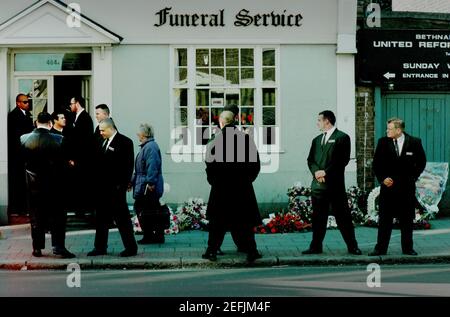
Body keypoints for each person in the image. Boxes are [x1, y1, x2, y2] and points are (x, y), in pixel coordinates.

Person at [202, 110, 262, 262]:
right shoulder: (246, 139)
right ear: (234, 120)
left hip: (221, 187)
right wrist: (247, 180)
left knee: (217, 222)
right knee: (245, 221)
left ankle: (212, 250)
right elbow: (255, 164)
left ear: (221, 122)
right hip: (242, 187)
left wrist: (214, 181)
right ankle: (251, 250)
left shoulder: (214, 140)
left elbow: (209, 165)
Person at [303, 110, 361, 255]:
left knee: (343, 217)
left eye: (319, 120)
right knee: (318, 218)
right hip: (318, 186)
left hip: (335, 186)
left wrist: (325, 172)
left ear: (327, 121)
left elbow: (342, 160)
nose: (317, 123)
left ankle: (352, 246)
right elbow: (310, 160)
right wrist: (316, 172)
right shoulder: (316, 140)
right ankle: (315, 246)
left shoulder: (342, 138)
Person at [21, 112, 75, 258]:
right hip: (55, 184)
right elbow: (64, 164)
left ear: (36, 122)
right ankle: (58, 246)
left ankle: (37, 247)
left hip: (33, 185)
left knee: (36, 216)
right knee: (58, 216)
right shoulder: (59, 139)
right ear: (50, 123)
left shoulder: (24, 139)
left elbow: (21, 163)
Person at [369, 118, 426, 256]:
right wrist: (382, 179)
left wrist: (413, 177)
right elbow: (376, 163)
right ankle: (380, 248)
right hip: (388, 188)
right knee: (385, 220)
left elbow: (421, 162)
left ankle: (408, 248)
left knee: (406, 220)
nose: (387, 131)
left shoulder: (414, 142)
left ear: (399, 130)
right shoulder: (383, 142)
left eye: (389, 129)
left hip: (406, 189)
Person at [87, 118, 138, 257]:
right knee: (101, 220)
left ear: (111, 128)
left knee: (122, 220)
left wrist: (122, 185)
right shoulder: (101, 141)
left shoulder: (125, 142)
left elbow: (128, 166)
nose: (101, 132)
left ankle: (131, 247)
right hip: (102, 189)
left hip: (116, 189)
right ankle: (100, 247)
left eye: (103, 130)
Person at [130, 124, 165, 244]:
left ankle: (151, 235)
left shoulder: (150, 147)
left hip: (148, 185)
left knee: (145, 209)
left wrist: (151, 182)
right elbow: (140, 169)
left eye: (138, 133)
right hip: (145, 183)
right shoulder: (148, 146)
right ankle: (155, 236)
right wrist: (132, 182)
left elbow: (152, 166)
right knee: (150, 209)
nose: (137, 135)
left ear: (144, 134)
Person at [66, 96, 94, 214]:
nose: (70, 106)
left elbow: (82, 141)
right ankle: (79, 208)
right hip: (79, 158)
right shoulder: (77, 117)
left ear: (77, 104)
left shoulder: (85, 118)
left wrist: (75, 158)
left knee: (81, 183)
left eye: (71, 104)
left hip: (82, 158)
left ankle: (82, 209)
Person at [7, 93, 34, 214]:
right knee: (19, 182)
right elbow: (16, 137)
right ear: (18, 103)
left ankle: (25, 207)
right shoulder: (14, 116)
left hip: (26, 154)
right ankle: (19, 208)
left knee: (26, 183)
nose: (28, 104)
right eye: (25, 102)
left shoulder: (26, 114)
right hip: (19, 155)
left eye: (28, 102)